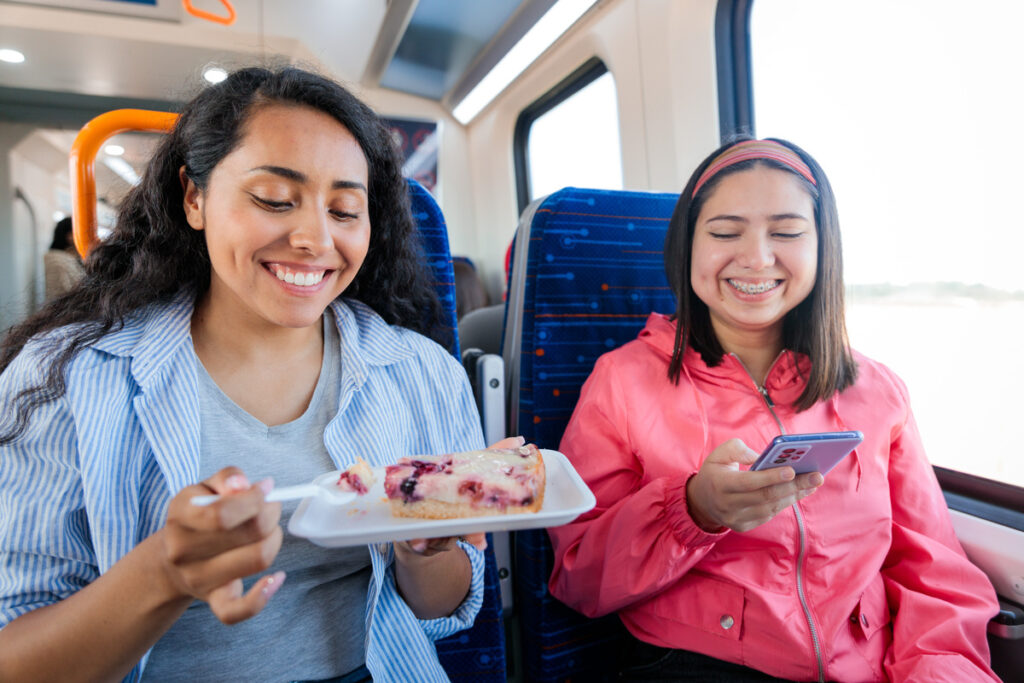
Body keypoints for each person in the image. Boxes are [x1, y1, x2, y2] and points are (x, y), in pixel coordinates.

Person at [0, 66, 508, 683]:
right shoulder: (66, 377)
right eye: (274, 199)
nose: (315, 239)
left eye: (346, 210)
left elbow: (445, 609)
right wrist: (162, 575)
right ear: (195, 198)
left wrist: (427, 544)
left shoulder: (422, 373)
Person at [547, 138, 1000, 682]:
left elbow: (937, 578)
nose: (758, 258)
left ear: (821, 248)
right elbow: (578, 576)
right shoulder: (621, 382)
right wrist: (692, 512)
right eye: (724, 232)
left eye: (786, 232)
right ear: (686, 245)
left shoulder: (878, 391)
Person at [43, 216, 85, 300]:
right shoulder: (58, 263)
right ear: (70, 236)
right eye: (83, 233)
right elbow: (57, 300)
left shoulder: (71, 260)